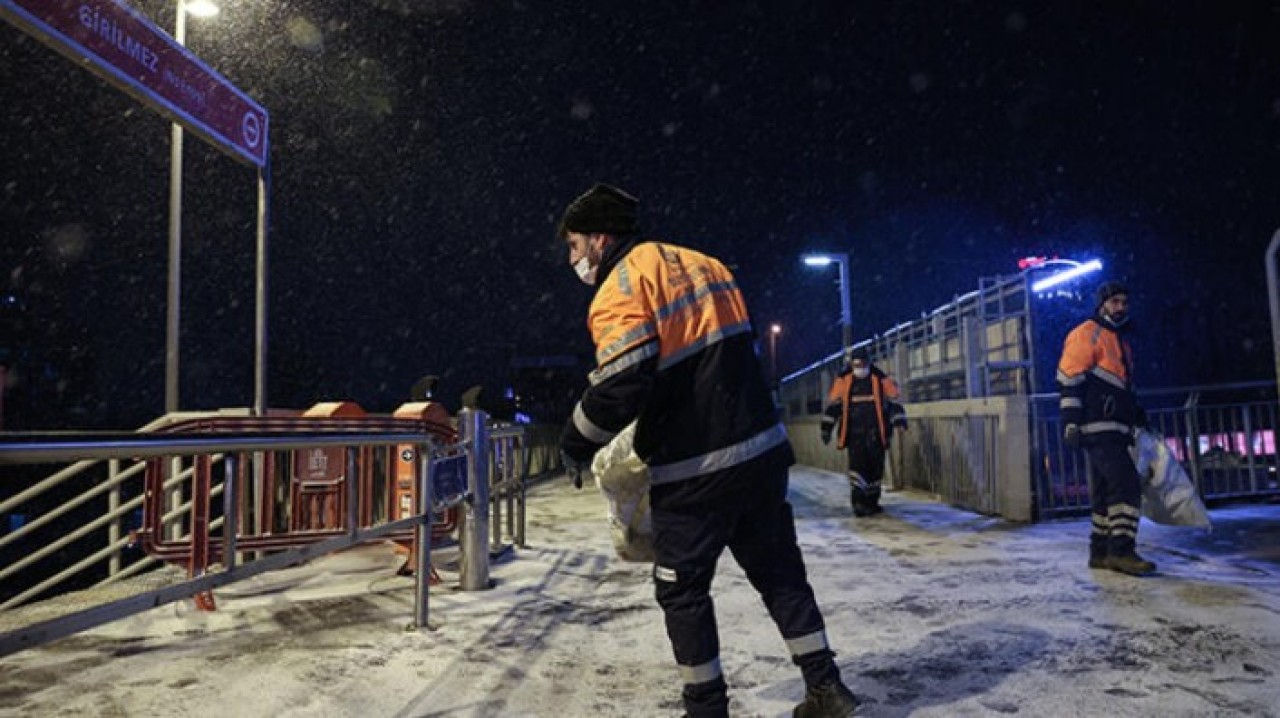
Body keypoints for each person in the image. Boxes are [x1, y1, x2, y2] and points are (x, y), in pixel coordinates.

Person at [556, 183, 858, 718]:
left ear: (600, 238)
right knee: (779, 573)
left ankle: (706, 707)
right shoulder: (706, 264)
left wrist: (576, 439)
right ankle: (826, 687)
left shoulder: (622, 286)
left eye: (575, 245)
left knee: (681, 588)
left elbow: (623, 381)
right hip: (761, 451)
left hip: (696, 465)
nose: (572, 259)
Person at [1057, 280, 1156, 576]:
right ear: (1101, 305)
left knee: (1105, 490)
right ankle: (1121, 551)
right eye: (1115, 302)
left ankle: (1100, 551)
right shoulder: (1088, 333)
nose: (1120, 307)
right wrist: (1071, 421)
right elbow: (1069, 377)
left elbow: (1120, 384)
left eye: (1124, 302)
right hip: (1098, 426)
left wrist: (1135, 413)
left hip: (1111, 426)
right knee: (1126, 486)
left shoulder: (1118, 338)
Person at [820, 346, 907, 516]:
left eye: (863, 364)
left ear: (869, 362)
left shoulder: (879, 380)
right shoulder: (844, 382)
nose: (860, 368)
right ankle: (859, 503)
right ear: (851, 364)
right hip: (855, 435)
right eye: (857, 365)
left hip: (877, 434)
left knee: (875, 470)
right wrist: (826, 429)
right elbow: (834, 408)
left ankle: (872, 502)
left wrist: (899, 421)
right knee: (858, 469)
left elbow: (892, 403)